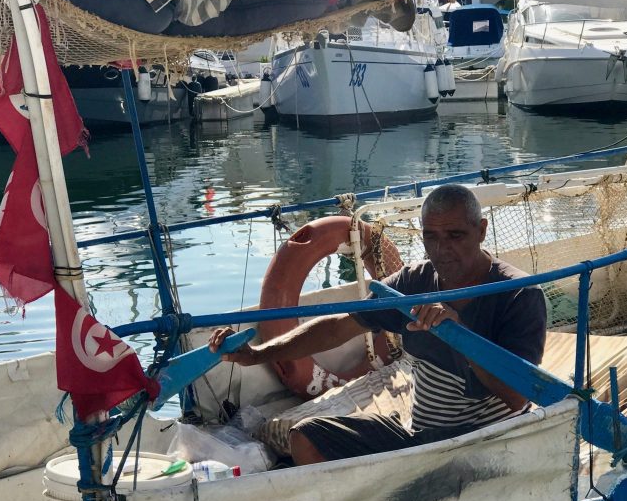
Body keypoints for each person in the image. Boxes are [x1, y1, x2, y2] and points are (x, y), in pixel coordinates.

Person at [208, 183, 548, 465]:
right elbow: (338, 327)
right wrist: (258, 354)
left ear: (482, 230)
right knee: (306, 437)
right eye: (431, 237)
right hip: (420, 436)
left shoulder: (518, 295)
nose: (441, 250)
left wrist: (460, 336)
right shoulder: (414, 282)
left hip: (485, 440)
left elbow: (518, 398)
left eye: (455, 235)